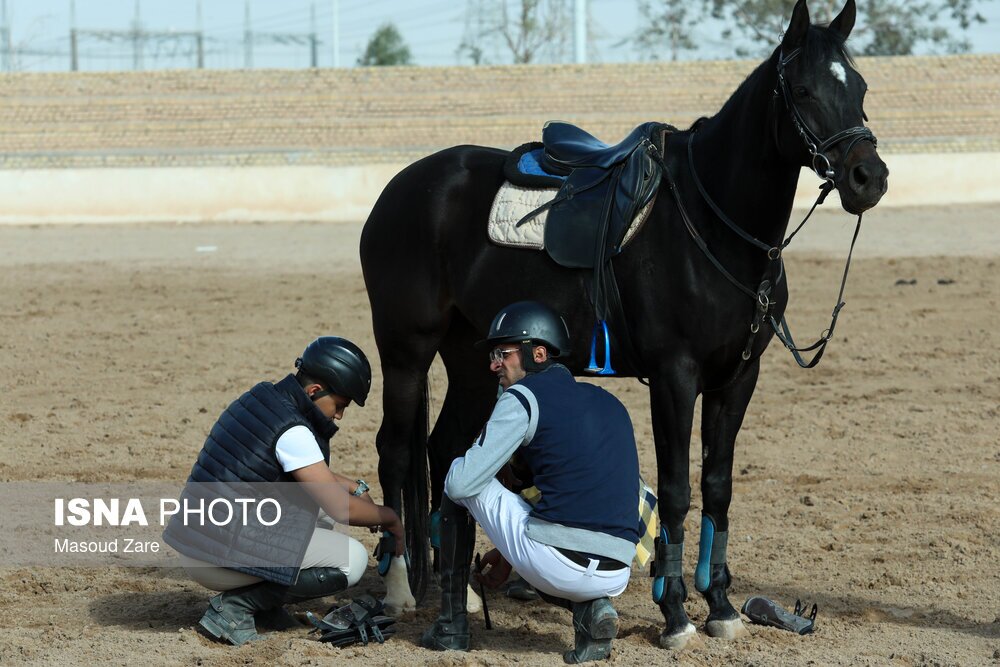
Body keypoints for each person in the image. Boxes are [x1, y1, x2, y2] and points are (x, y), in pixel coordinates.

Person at [420, 301, 641, 664]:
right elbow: (577, 491)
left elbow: (462, 486)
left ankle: (450, 626)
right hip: (618, 571)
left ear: (537, 353)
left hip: (560, 565)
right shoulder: (610, 401)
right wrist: (511, 553)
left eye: (502, 354)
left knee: (457, 474)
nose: (493, 364)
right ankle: (590, 610)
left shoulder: (521, 397)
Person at [163, 336, 404, 646]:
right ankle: (234, 609)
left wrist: (356, 486)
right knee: (350, 560)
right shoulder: (295, 431)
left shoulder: (265, 399)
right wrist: (389, 517)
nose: (340, 415)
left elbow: (311, 473)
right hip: (215, 558)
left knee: (316, 522)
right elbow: (339, 507)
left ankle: (264, 607)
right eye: (340, 405)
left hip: (201, 541)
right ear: (315, 391)